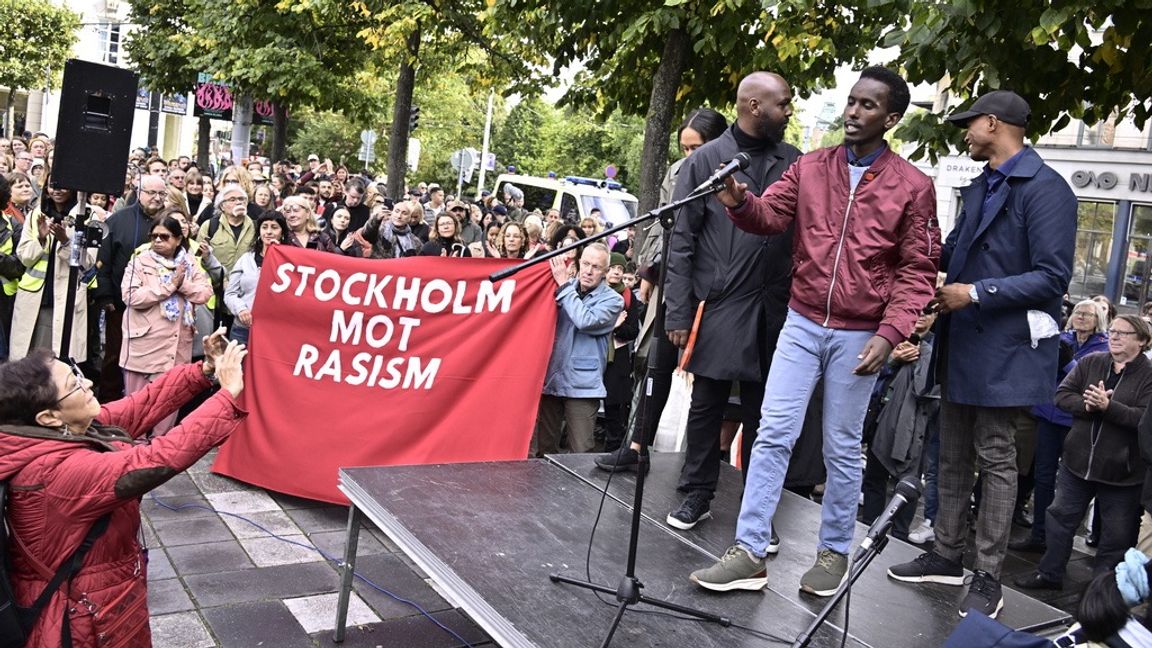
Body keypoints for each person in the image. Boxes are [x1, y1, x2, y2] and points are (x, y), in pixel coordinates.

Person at [691, 67, 939, 598]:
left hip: (860, 332)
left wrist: (891, 331)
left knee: (842, 447)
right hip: (801, 321)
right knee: (773, 435)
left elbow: (918, 270)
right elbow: (767, 217)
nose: (853, 112)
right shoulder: (811, 166)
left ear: (891, 118)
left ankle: (832, 553)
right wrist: (737, 200)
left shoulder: (914, 186)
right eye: (851, 102)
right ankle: (749, 552)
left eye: (868, 106)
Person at [887, 90, 1077, 619]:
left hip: (1003, 351)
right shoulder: (980, 186)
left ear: (993, 124)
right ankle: (946, 555)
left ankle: (988, 575)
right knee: (950, 452)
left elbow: (1052, 277)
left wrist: (973, 294)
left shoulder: (1047, 190)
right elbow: (953, 255)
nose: (964, 133)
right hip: (964, 342)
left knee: (995, 459)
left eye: (969, 125)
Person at [0, 332, 248, 648]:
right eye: (74, 385)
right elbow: (158, 458)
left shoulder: (61, 430)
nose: (88, 383)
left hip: (97, 597)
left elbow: (139, 406)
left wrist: (203, 370)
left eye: (76, 372)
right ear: (47, 416)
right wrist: (227, 395)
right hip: (79, 616)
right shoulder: (53, 473)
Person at [1011, 314, 1152, 591]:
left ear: (1143, 341)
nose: (1114, 336)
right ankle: (1049, 574)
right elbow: (1062, 395)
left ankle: (1101, 590)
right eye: (1113, 331)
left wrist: (1108, 408)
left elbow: (1144, 420)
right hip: (1077, 462)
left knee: (1116, 535)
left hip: (1122, 472)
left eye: (1124, 333)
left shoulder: (1149, 376)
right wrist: (1088, 406)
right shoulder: (1091, 362)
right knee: (1060, 517)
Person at [1011, 298, 1110, 554]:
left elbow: (1088, 381)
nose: (1081, 317)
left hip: (1075, 422)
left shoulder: (1104, 348)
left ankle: (1057, 541)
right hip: (1047, 415)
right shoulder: (1059, 338)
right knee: (1042, 478)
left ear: (1098, 319)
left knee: (1069, 482)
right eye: (1078, 312)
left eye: (1088, 314)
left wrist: (1067, 363)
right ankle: (1038, 534)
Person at [120, 215, 213, 435]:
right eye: (154, 236)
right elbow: (131, 297)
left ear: (179, 239)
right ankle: (134, 445)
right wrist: (169, 286)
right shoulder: (140, 262)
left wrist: (183, 285)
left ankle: (159, 447)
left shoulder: (189, 263)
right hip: (145, 346)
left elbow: (204, 292)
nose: (158, 241)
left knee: (169, 403)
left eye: (165, 236)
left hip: (177, 347)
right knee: (137, 405)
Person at [530, 243, 624, 456]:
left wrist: (563, 286)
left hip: (583, 385)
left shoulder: (613, 300)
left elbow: (585, 321)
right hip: (552, 377)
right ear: (579, 263)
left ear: (606, 272)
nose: (589, 271)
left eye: (597, 267)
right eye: (586, 264)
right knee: (544, 451)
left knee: (581, 453)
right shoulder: (565, 287)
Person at [95, 175, 168, 400]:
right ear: (139, 193)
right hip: (121, 305)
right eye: (151, 193)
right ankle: (108, 405)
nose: (156, 198)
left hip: (160, 307)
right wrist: (105, 297)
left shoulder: (170, 220)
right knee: (115, 356)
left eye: (161, 194)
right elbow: (103, 261)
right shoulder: (119, 220)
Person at [9, 199, 98, 362]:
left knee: (57, 365)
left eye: (62, 186)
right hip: (35, 299)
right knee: (28, 364)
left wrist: (65, 241)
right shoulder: (37, 212)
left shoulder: (87, 214)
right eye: (51, 185)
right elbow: (25, 258)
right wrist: (40, 239)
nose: (56, 190)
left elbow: (87, 264)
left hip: (66, 301)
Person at [224, 211, 290, 344]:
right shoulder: (246, 259)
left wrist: (278, 255)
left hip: (273, 330)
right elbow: (230, 293)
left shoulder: (290, 262)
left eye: (274, 227)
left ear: (282, 232)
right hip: (243, 329)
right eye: (264, 227)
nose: (269, 232)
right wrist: (240, 308)